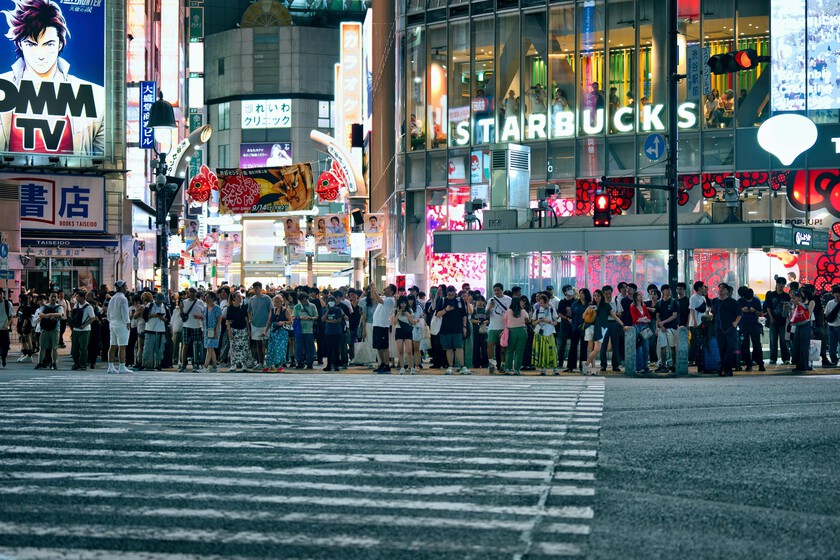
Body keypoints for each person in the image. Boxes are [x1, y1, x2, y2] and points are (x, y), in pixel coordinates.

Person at [0, 0, 105, 155]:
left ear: (60, 44)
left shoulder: (97, 96)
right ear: (20, 45)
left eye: (48, 44)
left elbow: (103, 165)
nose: (40, 55)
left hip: (72, 179)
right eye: (31, 45)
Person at [584, 289, 626, 376]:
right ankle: (590, 366)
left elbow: (615, 317)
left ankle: (585, 364)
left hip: (602, 328)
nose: (596, 297)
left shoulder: (606, 306)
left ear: (601, 296)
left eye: (598, 296)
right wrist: (589, 310)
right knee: (594, 349)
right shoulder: (591, 305)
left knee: (597, 349)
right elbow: (583, 316)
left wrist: (623, 325)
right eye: (595, 296)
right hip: (592, 328)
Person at [435, 285, 470, 375]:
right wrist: (446, 310)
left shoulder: (459, 300)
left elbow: (464, 315)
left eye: (452, 292)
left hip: (457, 328)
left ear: (455, 292)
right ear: (446, 292)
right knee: (448, 348)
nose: (451, 294)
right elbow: (438, 314)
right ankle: (450, 366)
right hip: (444, 328)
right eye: (449, 292)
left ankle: (462, 366)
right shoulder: (442, 300)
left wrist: (464, 326)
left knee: (459, 347)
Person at [711, 283, 741, 376]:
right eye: (719, 288)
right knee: (722, 349)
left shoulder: (732, 302)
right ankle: (727, 369)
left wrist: (735, 323)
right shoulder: (714, 301)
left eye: (723, 288)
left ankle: (723, 365)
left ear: (727, 291)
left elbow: (739, 314)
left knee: (731, 347)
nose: (720, 290)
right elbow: (712, 313)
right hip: (719, 328)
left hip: (730, 328)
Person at [369, 283, 396, 373]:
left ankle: (387, 365)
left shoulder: (390, 300)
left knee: (384, 346)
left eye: (387, 288)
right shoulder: (385, 298)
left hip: (383, 325)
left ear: (392, 291)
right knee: (378, 346)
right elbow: (373, 297)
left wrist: (374, 289)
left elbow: (378, 299)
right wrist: (372, 289)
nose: (385, 289)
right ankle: (382, 363)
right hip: (377, 324)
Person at [107, 280, 132, 374]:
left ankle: (111, 366)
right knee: (122, 346)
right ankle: (122, 366)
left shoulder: (112, 298)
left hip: (112, 323)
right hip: (121, 324)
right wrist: (128, 322)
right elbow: (125, 313)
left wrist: (111, 321)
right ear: (121, 287)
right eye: (125, 286)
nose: (126, 288)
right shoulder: (123, 299)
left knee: (112, 345)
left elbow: (108, 313)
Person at [764, 277, 791, 364]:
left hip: (783, 321)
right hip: (773, 320)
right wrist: (771, 318)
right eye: (780, 284)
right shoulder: (771, 295)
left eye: (783, 285)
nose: (781, 286)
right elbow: (768, 307)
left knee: (784, 340)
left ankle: (786, 358)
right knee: (773, 340)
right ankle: (773, 358)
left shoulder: (786, 296)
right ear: (777, 284)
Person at [485, 283, 511, 374]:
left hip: (504, 327)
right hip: (493, 327)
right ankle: (491, 363)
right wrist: (490, 307)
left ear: (502, 290)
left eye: (498, 290)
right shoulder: (490, 300)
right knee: (490, 345)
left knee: (503, 347)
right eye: (495, 290)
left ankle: (503, 364)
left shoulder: (508, 300)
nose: (496, 292)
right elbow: (486, 314)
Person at [179, 288, 206, 372]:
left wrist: (199, 316)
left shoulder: (200, 303)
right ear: (188, 292)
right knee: (185, 345)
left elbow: (204, 314)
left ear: (196, 293)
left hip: (197, 326)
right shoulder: (184, 302)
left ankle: (196, 363)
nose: (192, 294)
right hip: (186, 326)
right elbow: (181, 314)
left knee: (197, 346)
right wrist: (180, 310)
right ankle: (183, 364)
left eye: (194, 292)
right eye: (190, 292)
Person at [531, 293, 558, 375]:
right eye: (540, 302)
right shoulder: (537, 310)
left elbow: (556, 323)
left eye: (543, 302)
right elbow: (532, 323)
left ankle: (555, 368)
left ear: (547, 302)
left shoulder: (552, 310)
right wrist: (538, 321)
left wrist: (548, 321)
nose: (541, 304)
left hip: (549, 332)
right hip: (539, 333)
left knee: (552, 351)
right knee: (541, 351)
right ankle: (543, 369)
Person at [248, 281, 273, 369]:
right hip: (255, 324)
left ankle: (267, 361)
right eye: (254, 288)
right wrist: (250, 320)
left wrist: (269, 321)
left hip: (265, 324)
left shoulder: (266, 298)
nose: (255, 290)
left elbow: (271, 310)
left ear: (260, 288)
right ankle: (260, 362)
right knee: (258, 344)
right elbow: (249, 311)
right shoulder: (252, 299)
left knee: (266, 343)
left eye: (257, 288)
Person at [655, 285, 679, 373]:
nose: (669, 291)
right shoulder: (659, 303)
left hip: (671, 327)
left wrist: (663, 322)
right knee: (663, 346)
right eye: (666, 290)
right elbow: (657, 316)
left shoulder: (674, 302)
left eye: (669, 289)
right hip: (661, 328)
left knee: (672, 346)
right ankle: (663, 365)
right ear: (662, 291)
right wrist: (660, 326)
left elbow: (674, 315)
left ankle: (674, 364)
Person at [141, 292, 169, 371]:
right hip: (150, 329)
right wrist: (152, 315)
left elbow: (168, 319)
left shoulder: (165, 307)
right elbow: (145, 317)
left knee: (159, 349)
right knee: (148, 348)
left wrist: (161, 318)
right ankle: (148, 364)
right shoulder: (149, 305)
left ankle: (158, 363)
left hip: (160, 331)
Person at [599, 285, 623, 373]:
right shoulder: (601, 302)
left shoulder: (616, 301)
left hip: (614, 323)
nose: (608, 295)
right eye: (606, 294)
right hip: (604, 324)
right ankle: (603, 365)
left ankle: (615, 365)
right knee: (603, 345)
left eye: (609, 293)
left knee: (615, 345)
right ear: (603, 294)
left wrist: (613, 314)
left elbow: (620, 313)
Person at [225, 291, 250, 372]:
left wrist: (248, 329)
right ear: (234, 298)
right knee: (233, 347)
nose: (240, 298)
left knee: (244, 347)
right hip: (234, 329)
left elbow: (246, 319)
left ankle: (244, 364)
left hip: (243, 329)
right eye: (238, 297)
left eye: (241, 297)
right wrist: (229, 331)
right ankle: (233, 364)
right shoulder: (230, 308)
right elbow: (228, 320)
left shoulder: (243, 307)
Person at [36, 291, 63, 370]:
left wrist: (50, 314)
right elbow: (40, 314)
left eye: (55, 296)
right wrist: (47, 316)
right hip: (45, 329)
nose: (53, 298)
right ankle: (40, 363)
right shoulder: (45, 306)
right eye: (52, 296)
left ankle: (54, 363)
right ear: (49, 298)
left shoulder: (59, 307)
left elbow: (60, 314)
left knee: (54, 348)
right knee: (42, 347)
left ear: (57, 298)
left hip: (55, 329)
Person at [69, 290, 94, 371]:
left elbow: (92, 318)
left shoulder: (88, 307)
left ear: (82, 297)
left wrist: (84, 325)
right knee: (74, 348)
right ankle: (76, 363)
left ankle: (83, 364)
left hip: (85, 331)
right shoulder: (76, 305)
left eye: (78, 297)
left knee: (83, 348)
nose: (76, 298)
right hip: (76, 329)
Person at [265, 294, 291, 372]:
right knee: (272, 347)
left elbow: (290, 321)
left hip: (282, 332)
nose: (277, 303)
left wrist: (283, 322)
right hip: (274, 331)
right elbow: (269, 322)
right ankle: (271, 364)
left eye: (278, 301)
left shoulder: (285, 310)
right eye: (275, 301)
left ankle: (279, 364)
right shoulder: (273, 310)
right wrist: (265, 331)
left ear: (282, 301)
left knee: (280, 348)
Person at [391, 295, 416, 374]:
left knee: (409, 350)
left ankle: (411, 367)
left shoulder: (410, 310)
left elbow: (412, 322)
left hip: (408, 331)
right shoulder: (395, 311)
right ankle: (402, 367)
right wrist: (398, 314)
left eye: (404, 303)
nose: (403, 305)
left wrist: (408, 316)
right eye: (401, 303)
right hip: (399, 330)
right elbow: (394, 323)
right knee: (400, 350)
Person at [629, 290, 653, 375]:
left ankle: (645, 366)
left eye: (641, 295)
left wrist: (643, 319)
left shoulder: (644, 306)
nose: (641, 296)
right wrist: (644, 318)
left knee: (646, 348)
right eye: (639, 295)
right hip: (637, 327)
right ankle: (639, 367)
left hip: (644, 327)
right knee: (639, 347)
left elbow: (649, 318)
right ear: (636, 297)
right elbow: (635, 319)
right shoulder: (632, 306)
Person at [292, 292, 318, 369]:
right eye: (301, 301)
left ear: (306, 299)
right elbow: (293, 316)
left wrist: (310, 318)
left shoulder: (312, 306)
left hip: (309, 330)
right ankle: (300, 362)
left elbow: (316, 316)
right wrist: (299, 318)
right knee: (299, 347)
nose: (303, 302)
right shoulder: (297, 306)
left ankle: (310, 363)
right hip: (299, 330)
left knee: (310, 347)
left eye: (304, 300)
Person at [503, 296, 528, 375]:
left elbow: (506, 320)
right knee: (519, 351)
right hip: (522, 331)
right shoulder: (523, 311)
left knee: (509, 350)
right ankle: (516, 369)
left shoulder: (508, 311)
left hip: (512, 331)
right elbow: (527, 320)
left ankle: (507, 368)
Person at [789, 288, 812, 374]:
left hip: (805, 325)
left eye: (799, 296)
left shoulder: (809, 302)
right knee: (797, 345)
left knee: (804, 346)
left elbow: (808, 313)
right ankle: (798, 365)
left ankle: (804, 365)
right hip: (798, 325)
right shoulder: (796, 304)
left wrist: (799, 304)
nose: (797, 298)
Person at [322, 296, 345, 371]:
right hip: (328, 332)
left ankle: (336, 365)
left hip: (336, 332)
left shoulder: (338, 310)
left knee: (336, 348)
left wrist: (328, 321)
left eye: (332, 300)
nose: (331, 302)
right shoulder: (325, 310)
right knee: (329, 349)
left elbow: (338, 320)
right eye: (329, 300)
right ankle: (329, 365)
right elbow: (322, 319)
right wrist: (327, 311)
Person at [201, 292, 223, 373]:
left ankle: (205, 366)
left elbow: (219, 319)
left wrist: (216, 331)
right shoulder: (205, 308)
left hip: (214, 330)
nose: (206, 299)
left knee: (210, 347)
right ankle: (214, 366)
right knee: (210, 348)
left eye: (208, 297)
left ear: (213, 298)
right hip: (207, 330)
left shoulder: (216, 308)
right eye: (206, 297)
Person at [556, 285, 575, 371]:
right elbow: (559, 313)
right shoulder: (562, 302)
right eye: (568, 290)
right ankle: (560, 362)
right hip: (564, 324)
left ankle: (572, 363)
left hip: (574, 324)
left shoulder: (575, 301)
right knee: (563, 343)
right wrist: (567, 318)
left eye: (571, 289)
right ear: (565, 292)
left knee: (573, 344)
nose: (570, 291)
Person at [824, 285, 840, 365]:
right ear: (833, 294)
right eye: (835, 293)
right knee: (832, 345)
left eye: (838, 293)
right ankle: (834, 360)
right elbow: (826, 314)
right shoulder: (830, 303)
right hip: (831, 327)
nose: (837, 294)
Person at [0, 289, 13, 367]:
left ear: (3, 294)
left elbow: (11, 316)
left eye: (0, 293)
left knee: (6, 345)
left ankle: (3, 358)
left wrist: (7, 324)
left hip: (4, 329)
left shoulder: (7, 304)